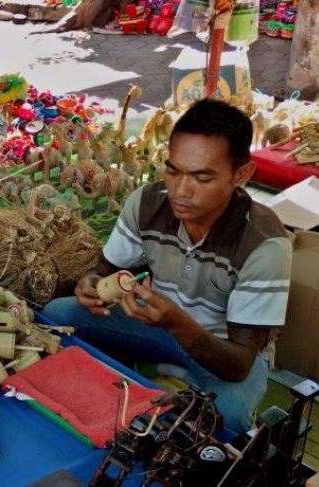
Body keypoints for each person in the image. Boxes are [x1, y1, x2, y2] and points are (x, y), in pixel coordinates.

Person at [43, 99, 291, 434]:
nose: (180, 191)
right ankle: (165, 368)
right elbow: (104, 269)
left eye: (202, 178)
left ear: (242, 175)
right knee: (58, 316)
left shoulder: (264, 244)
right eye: (173, 171)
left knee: (228, 414)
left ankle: (165, 369)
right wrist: (91, 283)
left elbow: (237, 364)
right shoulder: (148, 203)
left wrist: (176, 321)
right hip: (155, 323)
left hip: (223, 350)